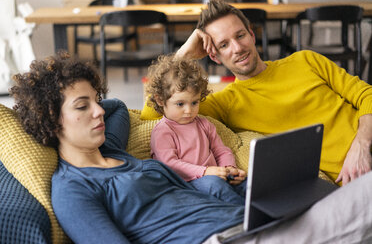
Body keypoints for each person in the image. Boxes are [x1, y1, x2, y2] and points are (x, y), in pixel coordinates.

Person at [10, 52, 245, 244]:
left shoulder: (110, 148)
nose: (99, 111)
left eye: (96, 100)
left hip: (241, 221)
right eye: (82, 106)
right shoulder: (73, 189)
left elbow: (117, 107)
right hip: (218, 237)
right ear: (52, 120)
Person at [141, 0, 372, 186]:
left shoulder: (306, 60)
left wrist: (362, 144)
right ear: (214, 56)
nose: (238, 48)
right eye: (224, 45)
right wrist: (184, 54)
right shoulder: (226, 102)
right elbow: (153, 114)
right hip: (352, 184)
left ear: (252, 35)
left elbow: (366, 95)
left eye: (240, 36)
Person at [146, 54, 247, 205]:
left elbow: (222, 151)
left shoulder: (203, 124)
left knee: (246, 183)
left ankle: (265, 209)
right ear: (160, 100)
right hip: (186, 184)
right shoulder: (163, 131)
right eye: (180, 104)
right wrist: (205, 172)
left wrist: (229, 168)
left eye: (194, 102)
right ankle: (245, 215)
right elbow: (170, 164)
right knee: (215, 185)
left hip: (214, 176)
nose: (189, 111)